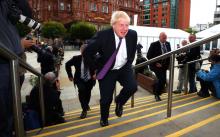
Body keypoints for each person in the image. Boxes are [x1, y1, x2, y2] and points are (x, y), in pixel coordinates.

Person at [83, 11, 137, 127]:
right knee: (106, 99)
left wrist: (128, 63)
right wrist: (95, 68)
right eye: (121, 25)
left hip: (123, 67)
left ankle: (119, 101)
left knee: (132, 87)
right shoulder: (103, 35)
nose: (124, 28)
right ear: (113, 25)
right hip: (107, 70)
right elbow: (87, 53)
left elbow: (132, 52)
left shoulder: (133, 34)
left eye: (127, 25)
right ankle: (104, 118)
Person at [0, 0, 32, 136]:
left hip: (13, 58)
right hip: (5, 60)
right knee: (4, 109)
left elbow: (27, 15)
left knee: (10, 107)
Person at [65, 44, 96, 119]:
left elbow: (99, 65)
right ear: (81, 51)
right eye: (83, 51)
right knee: (81, 91)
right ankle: (84, 109)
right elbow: (67, 64)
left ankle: (86, 105)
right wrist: (70, 75)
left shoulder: (93, 58)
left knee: (88, 93)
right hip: (79, 79)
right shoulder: (76, 58)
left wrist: (96, 73)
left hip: (90, 79)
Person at [147, 32, 171, 101]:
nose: (165, 39)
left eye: (165, 38)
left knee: (163, 81)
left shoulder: (168, 44)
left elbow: (169, 55)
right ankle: (157, 95)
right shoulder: (154, 44)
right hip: (156, 66)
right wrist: (156, 63)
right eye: (163, 38)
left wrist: (169, 65)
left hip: (164, 66)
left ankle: (155, 87)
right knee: (162, 79)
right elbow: (149, 55)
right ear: (159, 37)